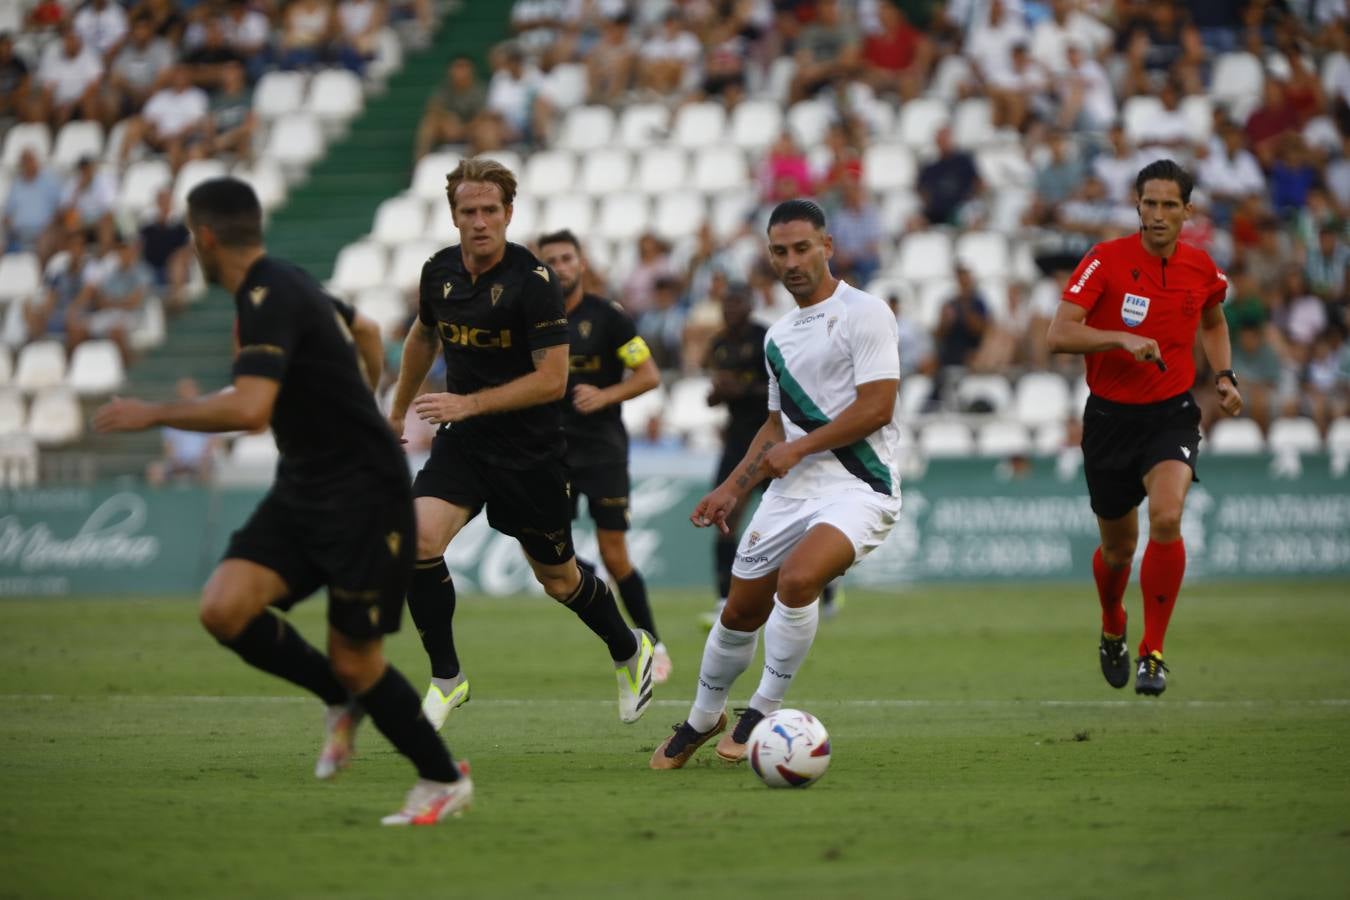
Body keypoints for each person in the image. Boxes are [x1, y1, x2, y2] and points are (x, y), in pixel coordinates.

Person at [94, 177, 472, 826]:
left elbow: (250, 409)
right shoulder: (283, 282)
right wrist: (363, 397)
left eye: (192, 239)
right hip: (306, 483)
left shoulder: (269, 295)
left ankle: (441, 778)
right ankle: (337, 697)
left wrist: (152, 412)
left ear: (205, 239)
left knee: (357, 657)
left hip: (363, 491)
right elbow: (366, 328)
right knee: (224, 608)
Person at [387, 157, 654, 732]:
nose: (480, 221)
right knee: (416, 539)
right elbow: (423, 336)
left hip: (530, 453)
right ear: (454, 216)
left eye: (490, 210)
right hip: (464, 445)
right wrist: (395, 408)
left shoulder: (534, 282)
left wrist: (467, 403)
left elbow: (552, 381)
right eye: (469, 211)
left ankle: (630, 649)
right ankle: (447, 678)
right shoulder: (438, 271)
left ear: (509, 213)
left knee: (558, 580)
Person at [651, 199, 902, 770]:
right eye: (780, 252)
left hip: (860, 486)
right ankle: (703, 717)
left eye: (802, 248)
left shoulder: (865, 313)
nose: (791, 262)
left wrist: (801, 448)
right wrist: (733, 488)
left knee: (798, 579)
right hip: (791, 492)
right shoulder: (778, 336)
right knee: (739, 612)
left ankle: (762, 710)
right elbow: (773, 426)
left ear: (827, 246)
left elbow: (877, 407)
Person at [1047, 159, 1242, 697]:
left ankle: (1153, 653)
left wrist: (1224, 375)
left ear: (1187, 211)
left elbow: (1213, 320)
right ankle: (1114, 623)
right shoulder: (1105, 260)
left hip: (1171, 414)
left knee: (1168, 516)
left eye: (1168, 205)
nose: (1157, 214)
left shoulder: (1201, 268)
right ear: (1136, 205)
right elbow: (1058, 334)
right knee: (1117, 552)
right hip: (1109, 420)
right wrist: (1119, 338)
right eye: (1149, 203)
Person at [537, 229, 670, 683]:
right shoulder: (530, 319)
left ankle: (653, 643)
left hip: (602, 451)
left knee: (616, 555)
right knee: (547, 553)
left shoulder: (609, 316)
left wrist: (605, 395)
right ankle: (599, 597)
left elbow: (649, 375)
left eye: (566, 258)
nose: (560, 266)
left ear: (581, 263)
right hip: (549, 451)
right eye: (551, 260)